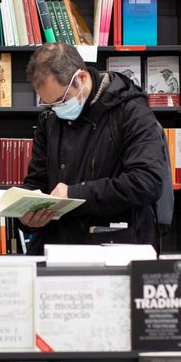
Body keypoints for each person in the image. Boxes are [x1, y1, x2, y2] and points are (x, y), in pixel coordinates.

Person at [19, 43, 165, 254]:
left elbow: (147, 182)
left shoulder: (131, 111)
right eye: (49, 103)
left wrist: (74, 194)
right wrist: (26, 213)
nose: (57, 109)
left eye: (61, 100)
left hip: (113, 246)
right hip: (56, 246)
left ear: (82, 78)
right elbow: (38, 181)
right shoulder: (50, 117)